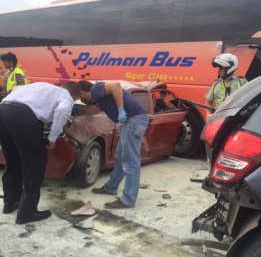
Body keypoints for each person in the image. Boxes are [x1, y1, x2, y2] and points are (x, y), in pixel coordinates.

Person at [0, 81, 81, 224]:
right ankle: (27, 213)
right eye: (75, 99)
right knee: (34, 166)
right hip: (23, 117)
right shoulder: (66, 97)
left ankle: (10, 204)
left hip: (3, 111)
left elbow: (17, 91)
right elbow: (62, 111)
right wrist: (52, 138)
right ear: (75, 94)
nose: (73, 101)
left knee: (13, 162)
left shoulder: (42, 86)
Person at [78, 80, 149, 209]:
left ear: (83, 93)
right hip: (131, 121)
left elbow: (115, 86)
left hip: (133, 120)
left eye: (79, 98)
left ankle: (128, 200)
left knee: (130, 161)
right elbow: (94, 111)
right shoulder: (98, 99)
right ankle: (111, 187)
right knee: (120, 157)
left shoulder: (96, 89)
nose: (81, 100)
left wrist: (121, 110)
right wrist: (76, 108)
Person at [205, 53, 247, 117]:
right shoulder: (216, 83)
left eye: (221, 68)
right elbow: (208, 103)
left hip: (236, 118)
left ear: (229, 68)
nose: (219, 71)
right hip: (219, 119)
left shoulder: (242, 81)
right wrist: (208, 115)